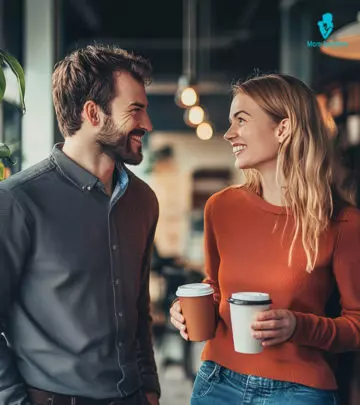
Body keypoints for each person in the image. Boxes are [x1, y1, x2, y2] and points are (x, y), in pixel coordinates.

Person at [170, 73, 360, 405]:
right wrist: (187, 312)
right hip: (218, 381)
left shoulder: (344, 222)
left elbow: (356, 325)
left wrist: (297, 326)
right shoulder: (221, 207)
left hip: (300, 392)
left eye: (240, 121)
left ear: (283, 128)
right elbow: (214, 288)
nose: (229, 134)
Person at [0, 45, 160, 405]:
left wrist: (149, 387)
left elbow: (139, 308)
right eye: (136, 110)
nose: (147, 125)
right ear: (93, 113)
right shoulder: (17, 201)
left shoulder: (143, 201)